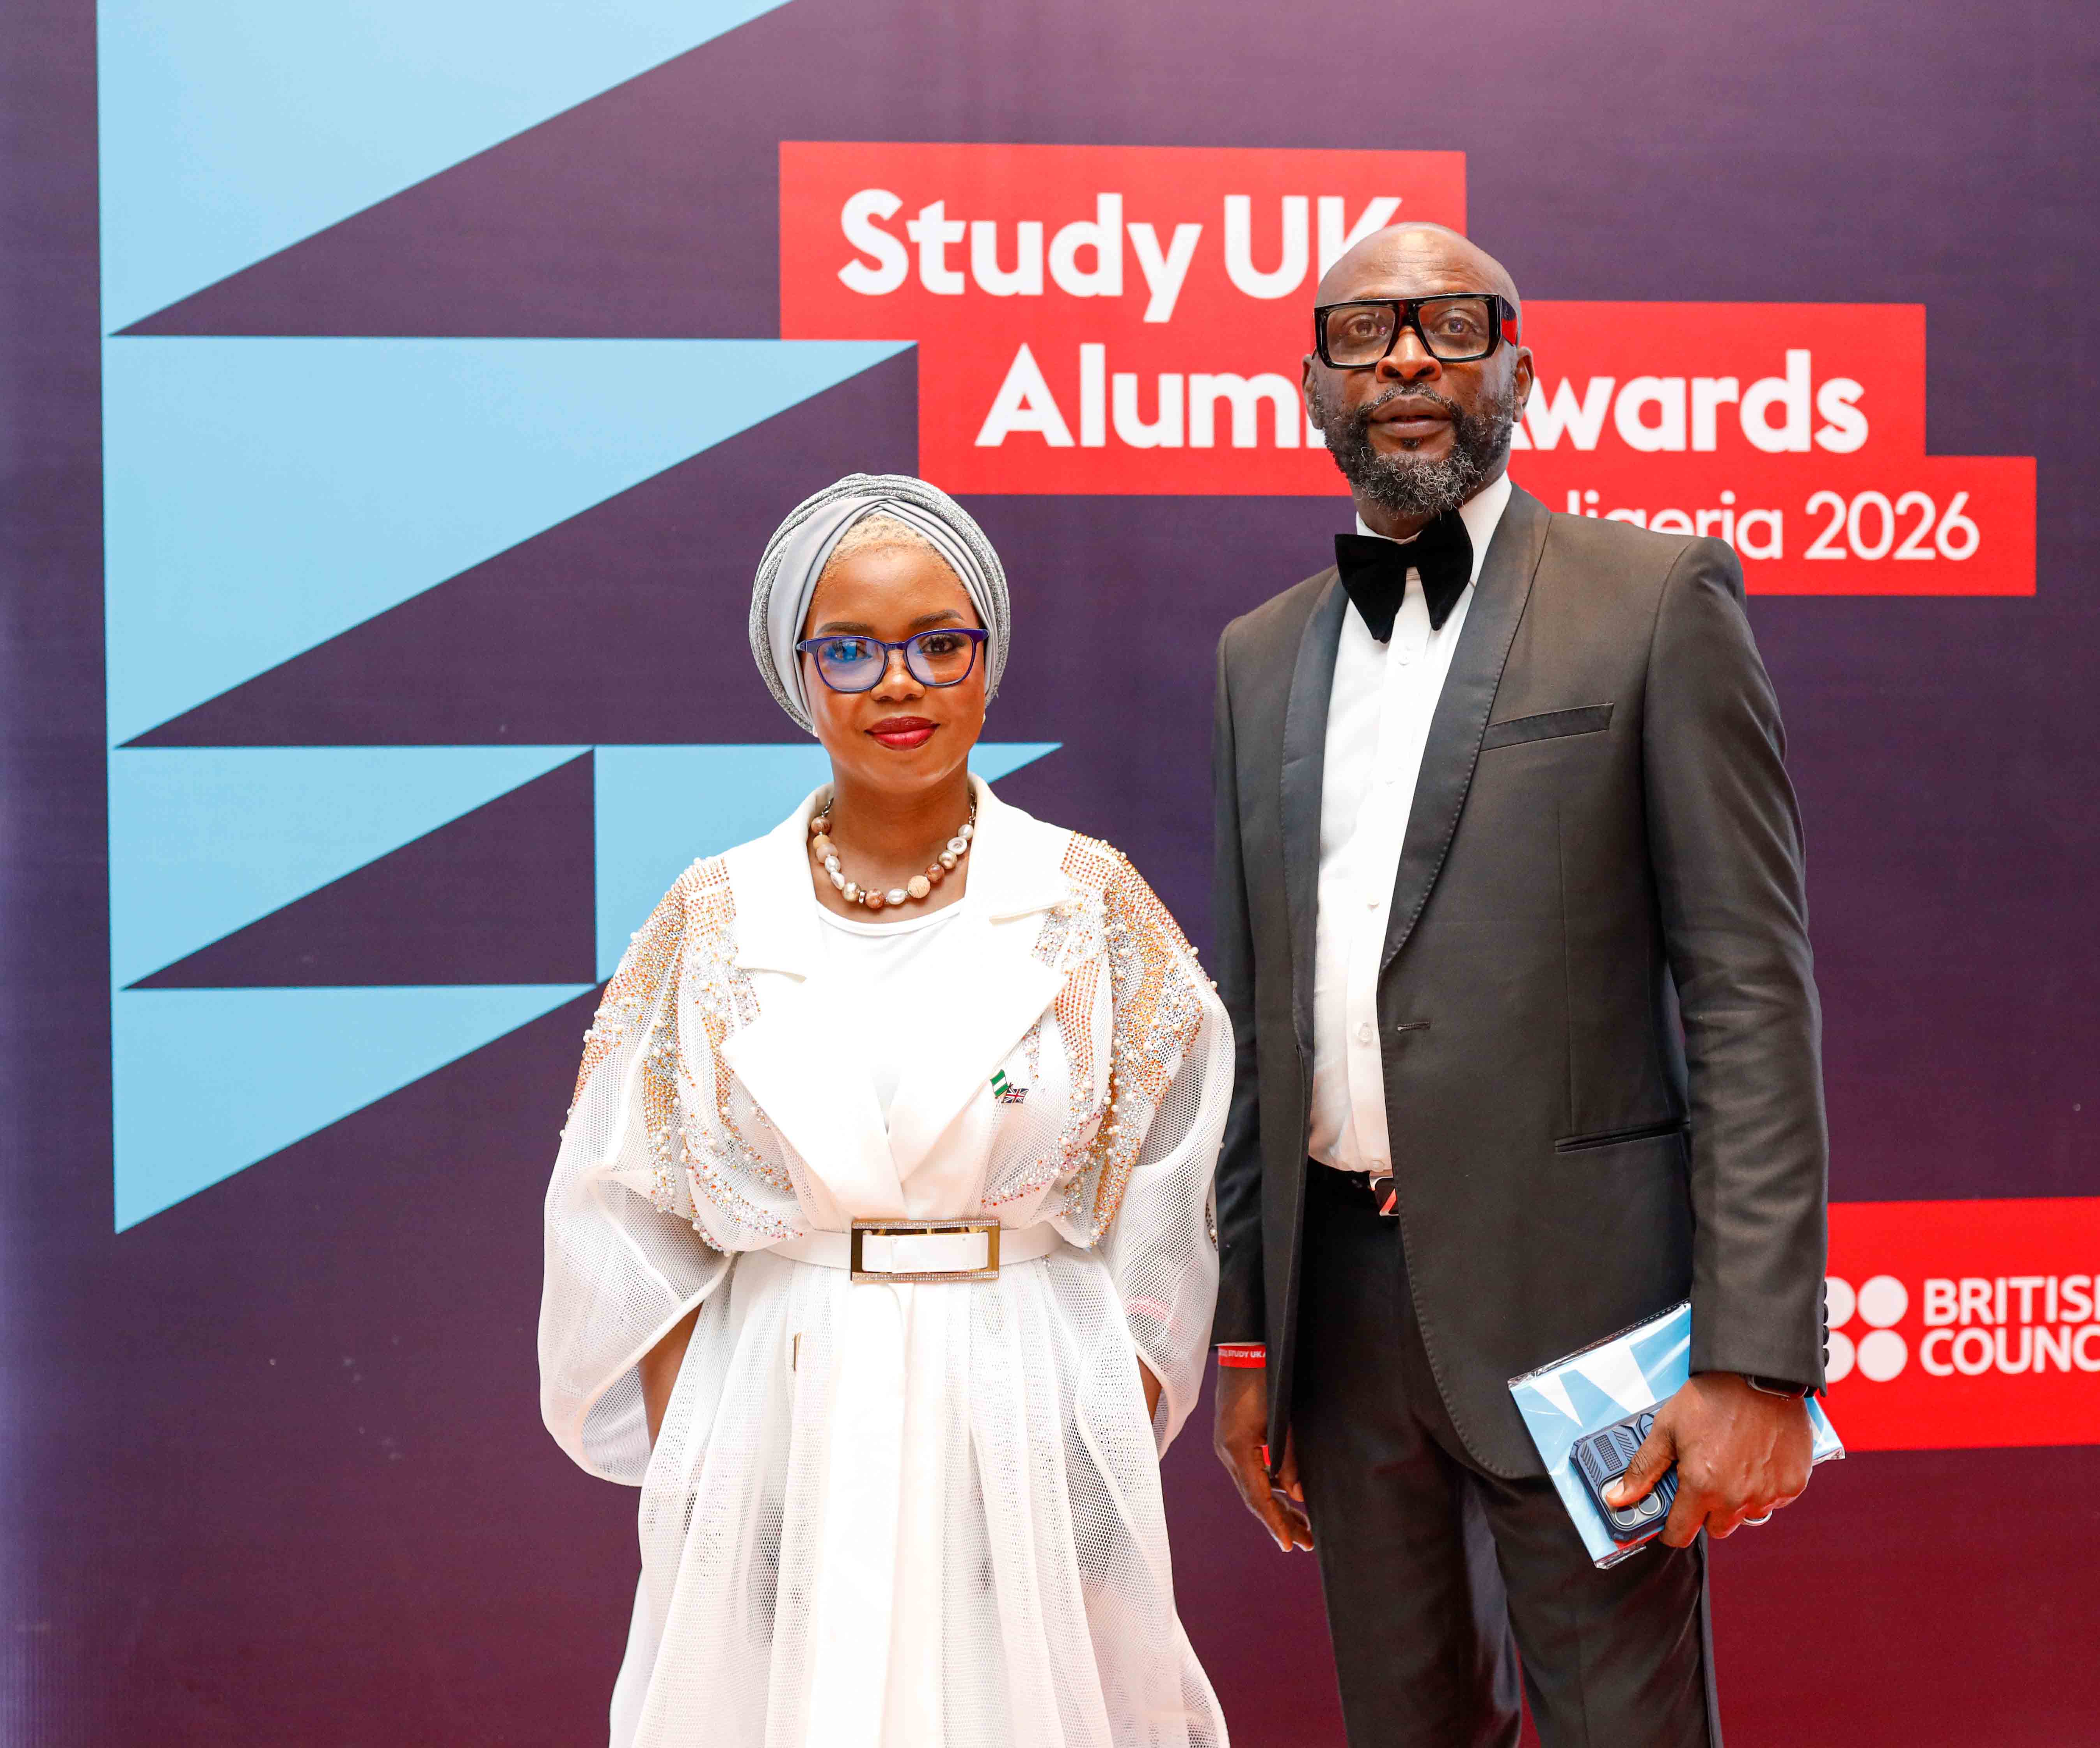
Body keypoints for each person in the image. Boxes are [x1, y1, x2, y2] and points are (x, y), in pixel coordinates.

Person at [1206, 223, 1830, 1745]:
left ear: (1522, 373)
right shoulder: (1259, 654)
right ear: (1312, 389)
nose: (1408, 355)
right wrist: (1248, 1338)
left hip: (1589, 1313)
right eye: (1364, 332)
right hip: (1343, 1323)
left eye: (1451, 324)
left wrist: (1757, 1356)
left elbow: (1750, 993)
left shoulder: (1655, 600)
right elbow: (1263, 1016)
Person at [540, 474, 1232, 1748]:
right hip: (780, 1402)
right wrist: (716, 1456)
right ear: (797, 676)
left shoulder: (1087, 903)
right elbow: (626, 1208)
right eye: (850, 650)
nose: (898, 683)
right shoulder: (715, 917)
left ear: (988, 664)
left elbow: (1176, 1186)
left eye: (938, 643)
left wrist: (1090, 1438)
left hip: (1024, 1395)